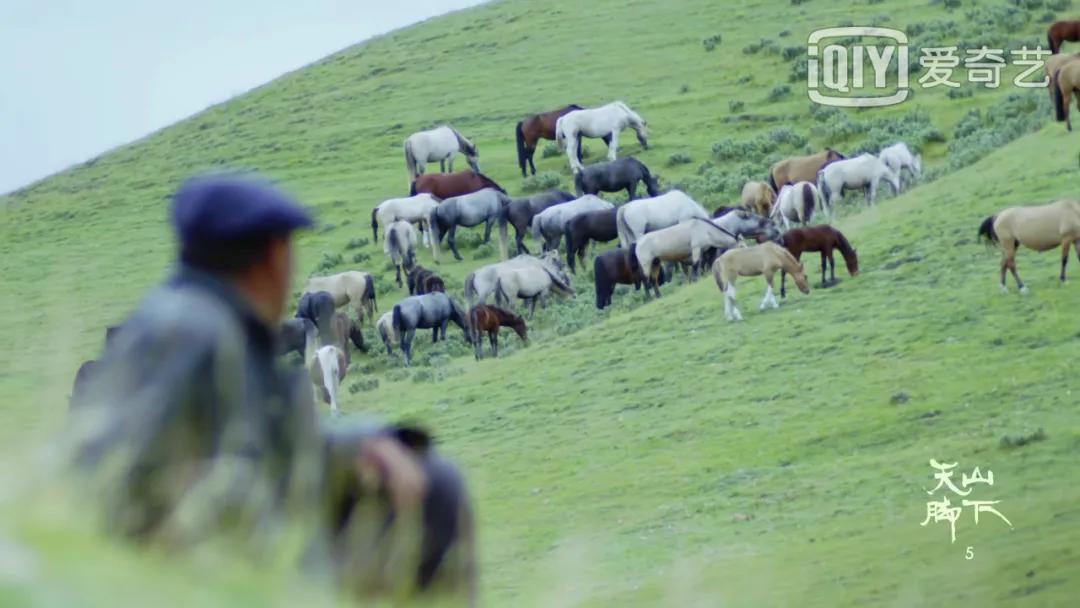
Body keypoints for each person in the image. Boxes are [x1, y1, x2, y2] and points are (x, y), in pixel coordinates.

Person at [68, 173, 474, 602]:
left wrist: (363, 441)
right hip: (202, 553)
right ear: (271, 258)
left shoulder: (189, 317)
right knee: (438, 486)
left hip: (185, 539)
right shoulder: (200, 332)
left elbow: (271, 433)